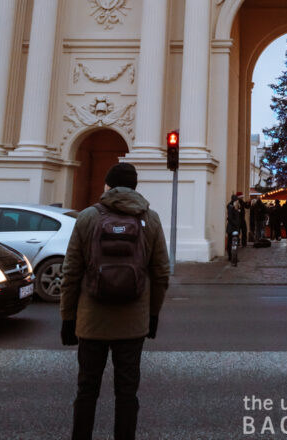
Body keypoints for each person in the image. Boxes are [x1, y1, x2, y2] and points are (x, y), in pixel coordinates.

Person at [60, 162, 169, 440]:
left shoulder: (86, 217)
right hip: (133, 323)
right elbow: (161, 273)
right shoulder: (151, 219)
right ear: (134, 187)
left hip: (91, 321)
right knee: (127, 393)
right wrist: (152, 315)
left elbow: (71, 272)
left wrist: (67, 318)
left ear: (107, 185)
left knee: (86, 390)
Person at [226, 194, 241, 259]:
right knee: (230, 243)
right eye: (237, 200)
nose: (238, 201)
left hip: (235, 228)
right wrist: (236, 224)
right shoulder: (230, 207)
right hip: (231, 228)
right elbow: (230, 218)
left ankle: (234, 256)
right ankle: (230, 256)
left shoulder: (236, 207)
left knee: (236, 242)